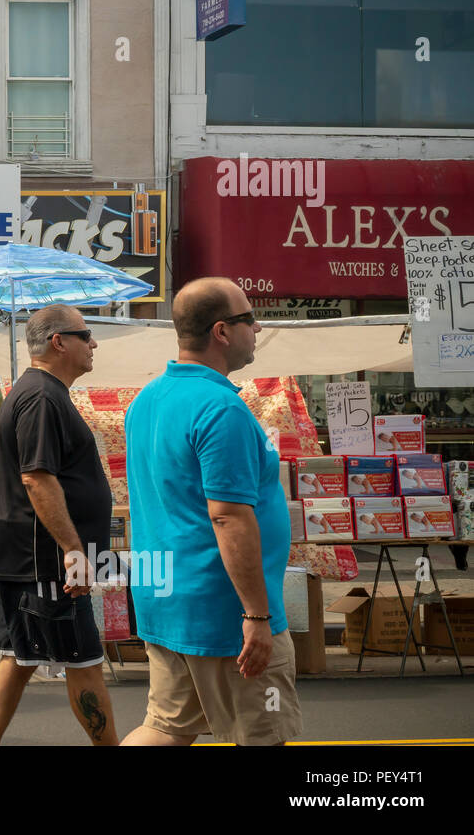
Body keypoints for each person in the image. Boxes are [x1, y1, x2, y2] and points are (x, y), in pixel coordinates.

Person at [122, 277, 302, 746]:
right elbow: (227, 516)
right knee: (263, 735)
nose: (257, 328)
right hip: (224, 611)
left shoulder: (146, 400)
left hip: (167, 600)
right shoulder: (222, 408)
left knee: (165, 727)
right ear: (222, 332)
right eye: (248, 320)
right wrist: (257, 617)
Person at [0, 305, 118, 747]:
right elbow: (37, 478)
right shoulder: (41, 396)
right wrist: (74, 551)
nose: (94, 343)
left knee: (20, 659)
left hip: (24, 557)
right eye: (86, 334)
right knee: (83, 662)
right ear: (59, 341)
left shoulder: (40, 392)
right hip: (44, 563)